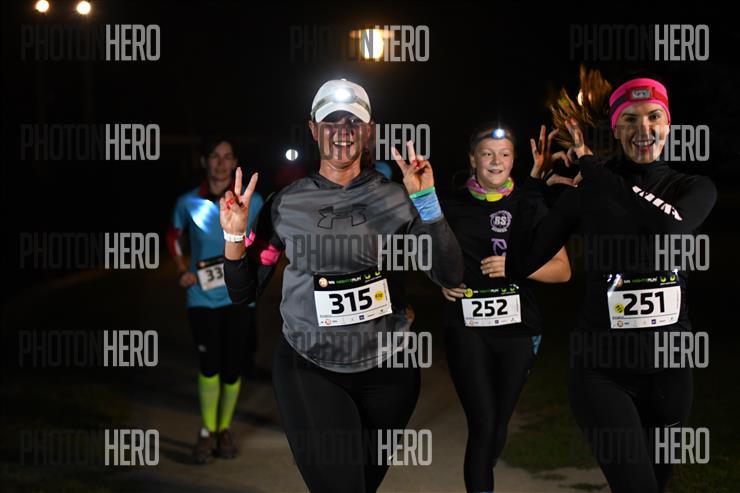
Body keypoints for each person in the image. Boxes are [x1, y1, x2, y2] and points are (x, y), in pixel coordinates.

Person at [221, 79, 464, 492]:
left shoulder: (396, 197)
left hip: (389, 373)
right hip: (311, 366)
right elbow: (243, 292)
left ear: (369, 130)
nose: (342, 131)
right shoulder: (285, 204)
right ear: (313, 129)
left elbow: (449, 274)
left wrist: (428, 202)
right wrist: (233, 236)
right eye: (331, 122)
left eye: (353, 122)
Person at [506, 72, 717, 493]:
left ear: (669, 123)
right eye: (630, 120)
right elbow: (519, 264)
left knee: (657, 484)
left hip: (670, 373)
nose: (644, 129)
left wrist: (597, 173)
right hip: (601, 373)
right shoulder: (589, 189)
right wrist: (532, 189)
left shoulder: (692, 187)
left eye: (654, 116)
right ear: (616, 129)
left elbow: (669, 228)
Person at [440, 124, 570, 493]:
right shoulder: (451, 205)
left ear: (514, 161)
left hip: (519, 330)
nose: (496, 161)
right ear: (472, 159)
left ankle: (483, 467)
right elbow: (427, 251)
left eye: (505, 154)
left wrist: (516, 267)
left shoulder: (530, 203)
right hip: (467, 329)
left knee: (497, 425)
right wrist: (440, 279)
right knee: (482, 424)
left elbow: (563, 270)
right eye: (487, 153)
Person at [167, 137, 264, 464]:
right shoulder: (187, 202)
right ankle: (207, 431)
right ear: (204, 161)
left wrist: (257, 271)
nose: (221, 163)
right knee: (209, 366)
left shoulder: (253, 201)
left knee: (232, 368)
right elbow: (173, 237)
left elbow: (264, 242)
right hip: (202, 296)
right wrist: (182, 269)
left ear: (235, 162)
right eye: (215, 156)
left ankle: (224, 430)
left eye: (227, 157)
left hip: (239, 299)